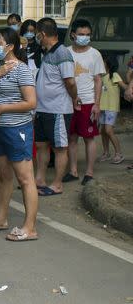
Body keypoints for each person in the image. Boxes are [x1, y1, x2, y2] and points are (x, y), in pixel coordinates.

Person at [0, 28, 39, 242]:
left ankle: (30, 227)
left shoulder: (22, 70)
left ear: (10, 46)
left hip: (18, 129)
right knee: (4, 176)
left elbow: (31, 103)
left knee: (25, 178)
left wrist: (1, 109)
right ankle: (1, 219)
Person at [34, 17, 78, 196]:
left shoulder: (62, 54)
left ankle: (57, 184)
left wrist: (75, 99)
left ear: (43, 34)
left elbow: (70, 82)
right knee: (41, 145)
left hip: (58, 110)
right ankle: (40, 179)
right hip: (42, 109)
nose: (36, 37)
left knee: (60, 148)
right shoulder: (47, 52)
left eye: (37, 34)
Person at [65, 19, 104, 185]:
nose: (84, 37)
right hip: (68, 102)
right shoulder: (66, 53)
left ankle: (89, 173)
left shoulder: (95, 54)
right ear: (73, 35)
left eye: (87, 35)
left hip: (88, 102)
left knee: (89, 138)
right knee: (71, 138)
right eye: (81, 34)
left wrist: (97, 104)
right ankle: (73, 171)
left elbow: (98, 81)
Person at [98, 53, 126, 164]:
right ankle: (106, 153)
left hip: (111, 107)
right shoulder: (100, 76)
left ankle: (119, 154)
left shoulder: (114, 75)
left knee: (108, 130)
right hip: (102, 108)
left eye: (103, 61)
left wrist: (129, 90)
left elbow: (124, 86)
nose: (101, 63)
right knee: (102, 131)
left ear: (108, 63)